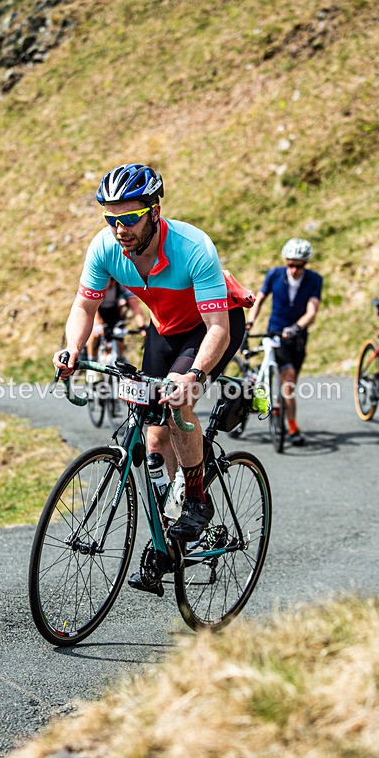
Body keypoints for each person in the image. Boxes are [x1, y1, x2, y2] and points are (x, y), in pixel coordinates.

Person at [53, 163, 247, 546]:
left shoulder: (193, 247)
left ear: (154, 212)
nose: (120, 230)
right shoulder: (105, 247)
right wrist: (73, 347)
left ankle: (197, 500)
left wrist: (193, 376)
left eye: (130, 218)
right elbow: (84, 308)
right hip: (164, 328)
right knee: (153, 438)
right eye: (111, 219)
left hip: (211, 327)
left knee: (176, 404)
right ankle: (169, 538)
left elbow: (219, 329)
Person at [247, 238, 322, 446]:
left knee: (290, 384)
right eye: (290, 264)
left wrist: (297, 327)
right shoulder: (274, 274)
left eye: (299, 266)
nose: (294, 270)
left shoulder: (314, 280)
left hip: (297, 337)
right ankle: (293, 426)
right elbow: (259, 300)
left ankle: (283, 411)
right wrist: (250, 322)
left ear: (305, 264)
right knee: (287, 378)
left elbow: (312, 311)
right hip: (276, 333)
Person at [86, 279, 146, 361]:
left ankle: (119, 358)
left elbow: (136, 307)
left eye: (112, 282)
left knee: (119, 334)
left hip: (114, 313)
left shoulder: (122, 285)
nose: (110, 285)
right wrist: (99, 324)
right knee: (96, 332)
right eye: (108, 282)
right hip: (98, 311)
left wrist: (142, 327)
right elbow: (93, 307)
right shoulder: (98, 285)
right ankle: (91, 360)